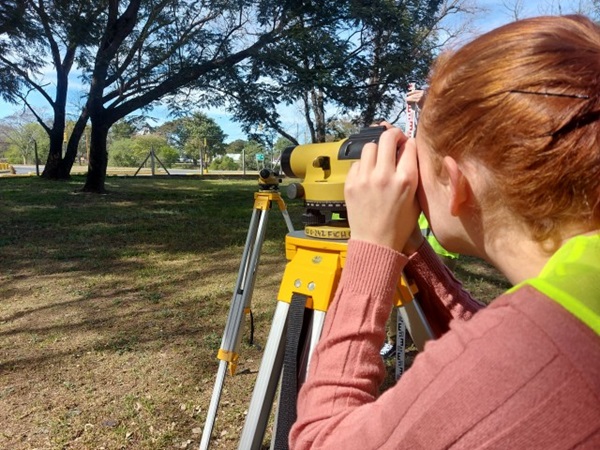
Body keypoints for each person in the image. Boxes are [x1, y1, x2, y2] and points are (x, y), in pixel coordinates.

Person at [290, 14, 600, 449]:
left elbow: (320, 441)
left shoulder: (531, 357)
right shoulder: (575, 296)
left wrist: (372, 247)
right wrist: (412, 244)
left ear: (456, 185)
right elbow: (495, 342)